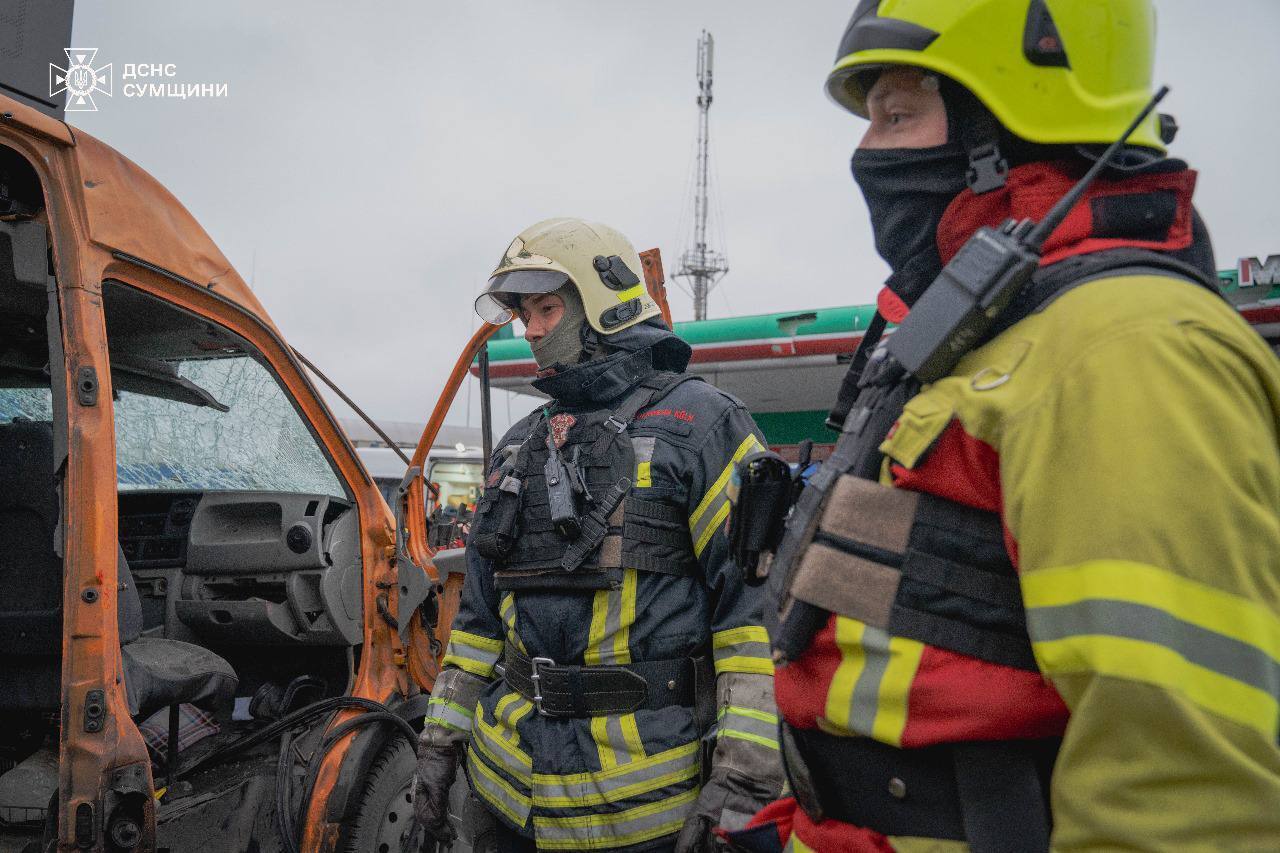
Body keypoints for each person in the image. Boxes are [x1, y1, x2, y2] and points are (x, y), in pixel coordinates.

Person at [731, 1, 1280, 851]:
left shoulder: (1123, 350)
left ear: (1010, 119)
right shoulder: (981, 338)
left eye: (898, 115)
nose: (866, 152)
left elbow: (1182, 797)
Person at [410, 218, 784, 853]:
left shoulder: (706, 428)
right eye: (523, 313)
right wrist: (439, 745)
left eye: (547, 309)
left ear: (604, 306)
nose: (529, 331)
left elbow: (755, 621)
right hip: (508, 797)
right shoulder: (518, 446)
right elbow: (476, 623)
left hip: (646, 813)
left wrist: (744, 784)